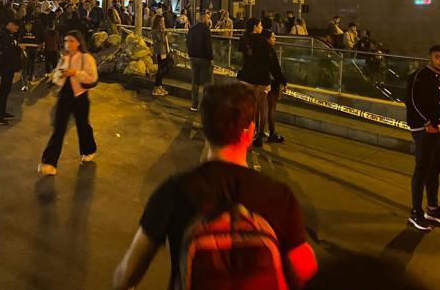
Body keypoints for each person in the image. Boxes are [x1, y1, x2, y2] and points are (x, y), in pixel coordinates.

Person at [112, 82, 317, 290]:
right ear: (250, 131)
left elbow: (126, 275)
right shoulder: (279, 196)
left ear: (205, 128)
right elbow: (305, 267)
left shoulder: (173, 192)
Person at [405, 44, 440, 231]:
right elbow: (411, 101)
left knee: (434, 169)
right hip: (425, 131)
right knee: (422, 170)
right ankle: (416, 212)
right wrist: (426, 124)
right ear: (430, 58)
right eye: (438, 57)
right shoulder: (420, 76)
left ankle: (433, 209)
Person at [38, 30, 98, 176]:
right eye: (66, 41)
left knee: (82, 125)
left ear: (78, 42)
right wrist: (60, 74)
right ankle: (50, 162)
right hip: (65, 96)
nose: (68, 44)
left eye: (71, 41)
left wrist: (76, 73)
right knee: (59, 128)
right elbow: (57, 78)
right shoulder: (64, 57)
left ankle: (89, 150)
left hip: (80, 97)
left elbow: (93, 78)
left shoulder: (86, 58)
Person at [236, 18, 283, 148]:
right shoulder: (263, 41)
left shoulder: (244, 39)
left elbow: (241, 56)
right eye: (260, 25)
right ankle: (259, 135)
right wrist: (281, 79)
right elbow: (272, 63)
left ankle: (245, 133)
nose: (261, 27)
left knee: (248, 107)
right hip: (261, 78)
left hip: (246, 76)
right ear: (256, 27)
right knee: (262, 108)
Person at [0, 18, 21, 125]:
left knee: (6, 91)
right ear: (9, 24)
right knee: (3, 92)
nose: (17, 28)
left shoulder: (8, 35)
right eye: (15, 25)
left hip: (9, 67)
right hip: (5, 67)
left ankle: (2, 112)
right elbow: (7, 52)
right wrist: (18, 49)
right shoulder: (3, 36)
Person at [264, 29, 288, 143]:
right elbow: (276, 69)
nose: (275, 39)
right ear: (267, 39)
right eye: (273, 37)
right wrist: (284, 81)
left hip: (262, 81)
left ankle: (259, 132)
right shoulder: (269, 51)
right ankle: (272, 132)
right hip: (271, 83)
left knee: (263, 108)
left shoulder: (259, 49)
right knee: (271, 108)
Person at [186, 11, 213, 111]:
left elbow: (188, 42)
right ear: (204, 18)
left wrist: (190, 54)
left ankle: (194, 104)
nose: (208, 20)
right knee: (207, 81)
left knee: (195, 81)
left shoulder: (192, 29)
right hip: (204, 59)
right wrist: (210, 58)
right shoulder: (206, 30)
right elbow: (208, 45)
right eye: (207, 18)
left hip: (193, 58)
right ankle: (205, 104)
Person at [19, 2, 44, 91]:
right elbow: (41, 33)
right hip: (34, 44)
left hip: (23, 44)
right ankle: (30, 77)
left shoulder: (22, 20)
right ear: (33, 11)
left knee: (24, 64)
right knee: (32, 61)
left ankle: (24, 82)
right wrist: (41, 43)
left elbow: (19, 32)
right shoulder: (37, 21)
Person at [151, 14, 171, 97]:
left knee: (163, 69)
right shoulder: (155, 31)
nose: (163, 22)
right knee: (160, 70)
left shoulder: (161, 30)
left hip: (163, 52)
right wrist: (164, 33)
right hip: (159, 52)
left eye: (163, 21)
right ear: (158, 22)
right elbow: (161, 40)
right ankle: (156, 88)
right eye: (162, 21)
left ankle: (160, 86)